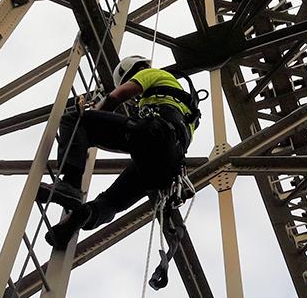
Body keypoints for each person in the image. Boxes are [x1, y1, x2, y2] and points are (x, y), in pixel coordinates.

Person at [39, 55, 198, 249]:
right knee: (112, 201)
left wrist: (95, 111)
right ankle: (83, 217)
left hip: (156, 135)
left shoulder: (151, 73)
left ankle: (70, 185)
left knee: (74, 120)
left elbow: (117, 96)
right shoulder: (184, 107)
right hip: (166, 167)